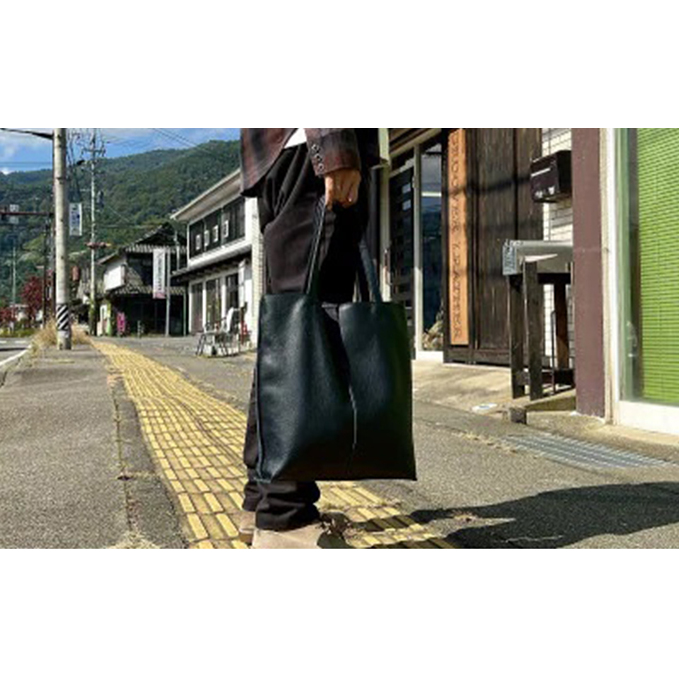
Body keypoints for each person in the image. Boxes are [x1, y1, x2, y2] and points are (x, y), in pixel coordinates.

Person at [238, 128, 381, 549]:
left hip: (286, 154)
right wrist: (336, 149)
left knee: (287, 336)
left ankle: (262, 499)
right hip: (316, 153)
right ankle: (285, 517)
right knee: (303, 337)